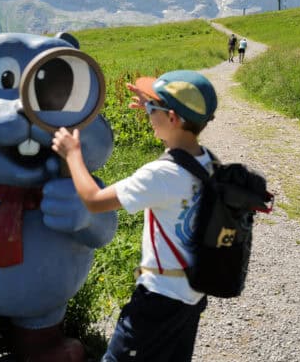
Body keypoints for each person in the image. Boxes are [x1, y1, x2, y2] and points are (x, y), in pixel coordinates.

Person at [51, 70, 218, 362]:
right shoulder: (208, 161)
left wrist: (72, 154)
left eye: (153, 110)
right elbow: (178, 144)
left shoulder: (160, 175)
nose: (147, 115)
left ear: (173, 118)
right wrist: (155, 110)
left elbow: (93, 200)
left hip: (158, 299)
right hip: (192, 295)